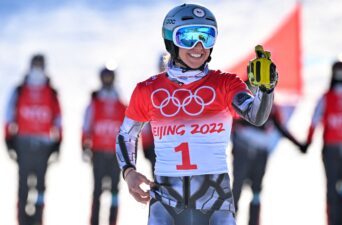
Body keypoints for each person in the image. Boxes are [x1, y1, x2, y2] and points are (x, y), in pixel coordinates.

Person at [115, 3, 278, 225]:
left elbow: (256, 116)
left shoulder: (226, 83)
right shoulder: (148, 89)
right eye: (188, 37)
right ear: (171, 41)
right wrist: (128, 172)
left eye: (207, 36)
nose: (199, 46)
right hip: (166, 202)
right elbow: (127, 134)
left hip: (216, 201)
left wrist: (266, 90)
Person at [300, 60, 342, 225]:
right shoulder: (327, 98)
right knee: (333, 189)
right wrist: (308, 141)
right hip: (331, 150)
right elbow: (315, 120)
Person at [4, 54, 62, 225]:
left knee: (40, 188)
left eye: (40, 64)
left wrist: (58, 142)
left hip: (43, 145)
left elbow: (58, 118)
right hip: (23, 144)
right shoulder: (20, 89)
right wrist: (8, 139)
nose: (37, 68)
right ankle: (22, 221)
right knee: (23, 187)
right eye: (35, 64)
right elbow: (8, 115)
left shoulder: (50, 92)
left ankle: (38, 220)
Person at [231, 97, 302, 225]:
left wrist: (298, 144)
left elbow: (280, 127)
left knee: (255, 191)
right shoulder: (239, 98)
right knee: (237, 189)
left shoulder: (271, 106)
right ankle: (230, 221)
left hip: (259, 153)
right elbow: (230, 124)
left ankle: (252, 221)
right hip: (243, 151)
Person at [81, 67, 127, 225]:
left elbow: (129, 130)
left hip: (115, 154)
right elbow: (86, 125)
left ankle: (112, 221)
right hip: (98, 152)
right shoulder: (95, 102)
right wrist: (84, 146)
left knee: (115, 191)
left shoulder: (121, 104)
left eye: (110, 77)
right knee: (97, 191)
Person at [140, 53, 168, 175]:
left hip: (178, 142)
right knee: (159, 179)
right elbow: (144, 121)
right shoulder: (152, 89)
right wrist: (146, 144)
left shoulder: (183, 86)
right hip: (156, 144)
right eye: (163, 66)